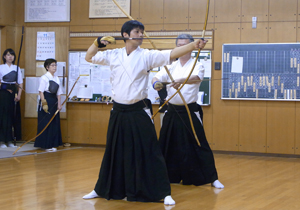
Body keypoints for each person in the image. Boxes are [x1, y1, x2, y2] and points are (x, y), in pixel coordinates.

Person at [82, 20, 206, 205]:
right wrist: (96, 43)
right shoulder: (113, 54)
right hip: (118, 110)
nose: (140, 35)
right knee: (114, 150)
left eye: (142, 32)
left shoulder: (147, 55)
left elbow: (171, 53)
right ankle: (102, 188)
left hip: (139, 110)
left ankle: (163, 192)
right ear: (125, 35)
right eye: (137, 31)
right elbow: (89, 57)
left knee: (150, 150)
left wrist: (193, 45)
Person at [152, 34, 224, 189]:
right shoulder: (170, 65)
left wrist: (181, 80)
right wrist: (156, 84)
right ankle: (164, 176)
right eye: (179, 45)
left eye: (185, 45)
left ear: (191, 47)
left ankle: (212, 178)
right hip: (172, 112)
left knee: (199, 143)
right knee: (166, 143)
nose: (181, 48)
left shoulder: (197, 64)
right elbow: (156, 77)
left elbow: (197, 77)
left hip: (189, 111)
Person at [34, 58, 63, 152]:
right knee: (47, 123)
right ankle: (46, 145)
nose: (55, 67)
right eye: (52, 65)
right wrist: (44, 103)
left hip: (54, 100)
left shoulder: (57, 78)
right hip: (47, 99)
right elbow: (41, 91)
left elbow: (59, 93)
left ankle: (53, 143)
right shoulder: (44, 77)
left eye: (55, 65)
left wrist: (59, 104)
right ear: (47, 67)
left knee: (54, 122)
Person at [0, 48, 23, 148]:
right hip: (3, 93)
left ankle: (9, 140)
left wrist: (19, 95)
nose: (10, 57)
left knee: (11, 116)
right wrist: (5, 88)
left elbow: (20, 82)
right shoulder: (1, 67)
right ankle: (2, 141)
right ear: (4, 57)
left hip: (13, 93)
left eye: (12, 55)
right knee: (3, 117)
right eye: (8, 55)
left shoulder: (16, 68)